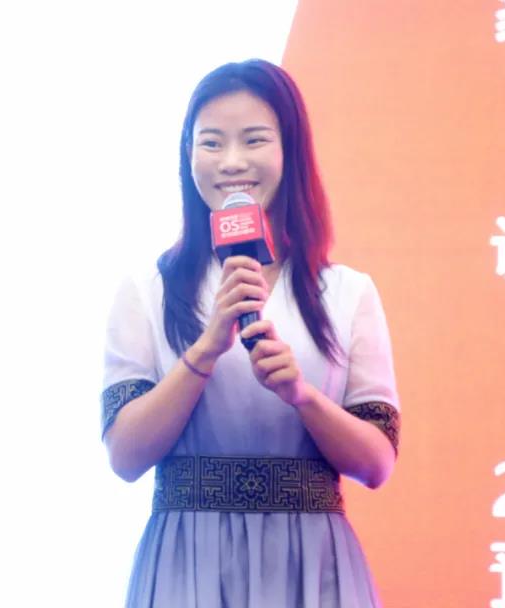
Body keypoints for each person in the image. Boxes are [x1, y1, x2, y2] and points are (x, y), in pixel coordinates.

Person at [101, 58, 400, 608]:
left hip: (312, 566)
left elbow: (377, 464)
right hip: (187, 563)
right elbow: (125, 456)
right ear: (188, 154)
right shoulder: (147, 290)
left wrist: (302, 396)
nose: (232, 162)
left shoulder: (347, 292)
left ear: (290, 150)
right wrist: (205, 350)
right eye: (211, 143)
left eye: (254, 140)